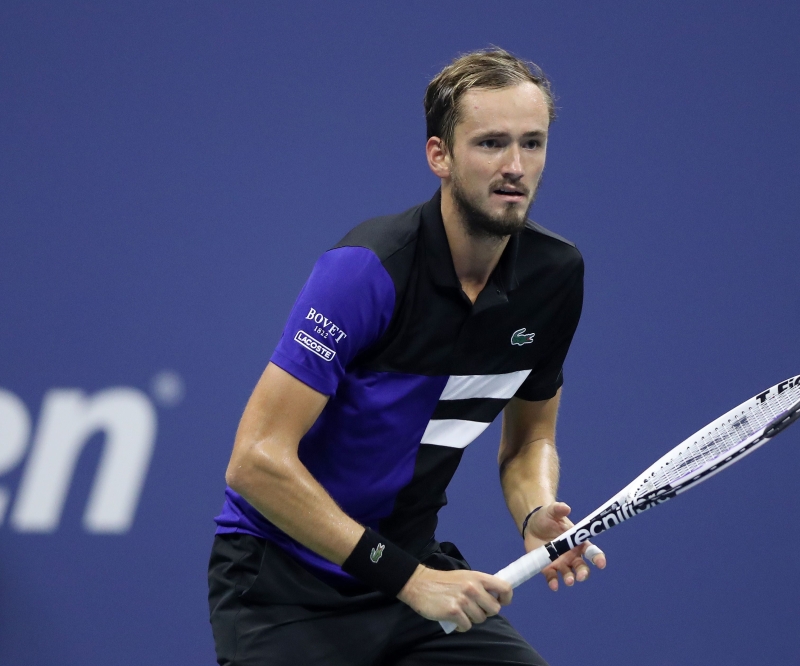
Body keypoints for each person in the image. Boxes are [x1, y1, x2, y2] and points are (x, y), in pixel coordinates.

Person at [208, 47, 605, 666]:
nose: (515, 167)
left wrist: (535, 510)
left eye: (533, 143)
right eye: (491, 144)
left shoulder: (556, 277)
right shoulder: (366, 271)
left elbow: (529, 442)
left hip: (410, 575)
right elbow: (254, 463)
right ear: (438, 155)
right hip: (283, 585)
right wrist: (410, 580)